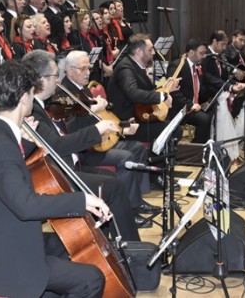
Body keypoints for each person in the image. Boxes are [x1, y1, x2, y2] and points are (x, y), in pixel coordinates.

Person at [0, 59, 107, 298]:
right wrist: (83, 200)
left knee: (69, 243)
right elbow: (26, 206)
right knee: (92, 280)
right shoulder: (2, 146)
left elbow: (5, 173)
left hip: (1, 238)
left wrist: (26, 141)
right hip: (4, 264)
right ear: (24, 97)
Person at [25, 50, 141, 240]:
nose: (58, 80)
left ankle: (108, 240)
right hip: (57, 176)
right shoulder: (33, 110)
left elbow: (65, 133)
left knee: (111, 179)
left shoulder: (43, 105)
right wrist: (96, 130)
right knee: (115, 187)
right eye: (55, 75)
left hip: (71, 164)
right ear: (41, 79)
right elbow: (57, 146)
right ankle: (131, 247)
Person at [61, 51, 158, 221]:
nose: (88, 72)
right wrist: (91, 111)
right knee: (125, 157)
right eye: (83, 69)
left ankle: (137, 200)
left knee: (137, 148)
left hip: (99, 141)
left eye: (89, 68)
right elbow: (69, 128)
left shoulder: (83, 88)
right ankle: (129, 209)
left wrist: (122, 128)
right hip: (85, 149)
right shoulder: (64, 94)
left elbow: (101, 118)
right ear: (69, 69)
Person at [107, 33, 180, 143]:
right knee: (175, 130)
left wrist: (166, 88)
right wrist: (163, 96)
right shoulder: (125, 68)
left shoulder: (134, 65)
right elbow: (133, 93)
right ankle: (156, 154)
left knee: (170, 123)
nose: (154, 53)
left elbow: (145, 91)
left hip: (139, 116)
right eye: (150, 50)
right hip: (127, 124)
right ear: (139, 52)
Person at [168, 39, 213, 143]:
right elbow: (174, 92)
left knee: (212, 112)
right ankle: (196, 148)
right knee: (204, 119)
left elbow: (205, 84)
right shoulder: (177, 66)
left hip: (195, 105)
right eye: (201, 53)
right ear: (191, 52)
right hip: (180, 108)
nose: (204, 56)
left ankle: (202, 146)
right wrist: (190, 105)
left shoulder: (199, 66)